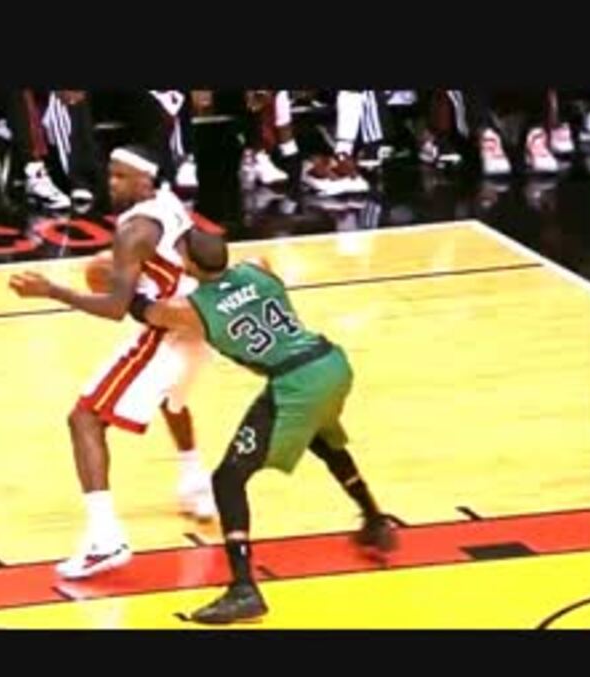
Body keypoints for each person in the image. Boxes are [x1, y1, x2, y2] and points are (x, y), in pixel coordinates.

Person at [127, 231, 397, 624]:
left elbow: (145, 311)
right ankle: (375, 519)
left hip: (294, 382)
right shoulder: (258, 268)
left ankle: (243, 589)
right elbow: (246, 277)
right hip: (329, 362)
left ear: (191, 265)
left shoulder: (191, 308)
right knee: (323, 440)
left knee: (228, 479)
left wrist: (125, 274)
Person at [8, 144, 216, 580]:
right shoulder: (169, 204)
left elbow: (114, 308)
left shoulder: (134, 231)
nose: (112, 184)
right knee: (171, 400)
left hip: (167, 331)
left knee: (84, 418)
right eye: (110, 175)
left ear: (145, 179)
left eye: (121, 177)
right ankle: (195, 480)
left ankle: (106, 539)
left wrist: (52, 290)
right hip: (198, 322)